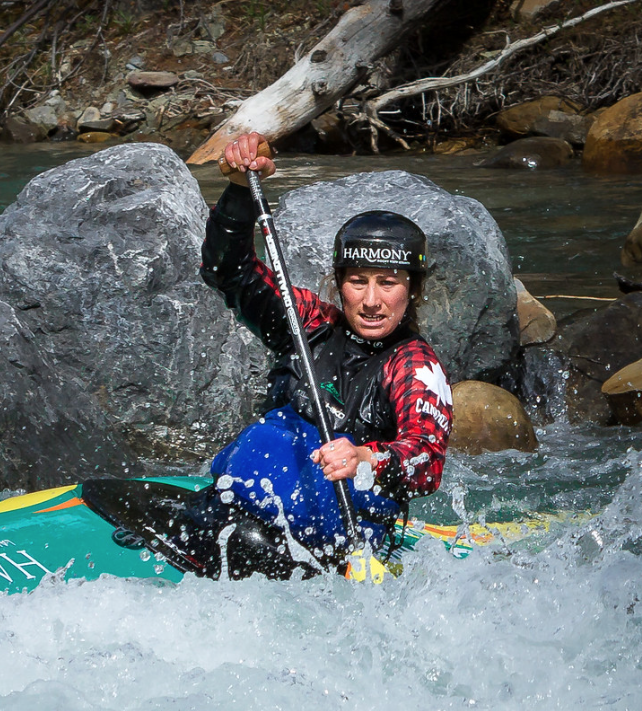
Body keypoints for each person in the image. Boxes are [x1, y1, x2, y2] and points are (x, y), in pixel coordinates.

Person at [151, 131, 453, 580]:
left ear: (412, 290)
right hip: (248, 508)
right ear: (339, 283)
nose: (371, 300)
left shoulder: (413, 365)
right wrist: (238, 191)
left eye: (387, 283)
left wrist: (367, 458)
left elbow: (425, 460)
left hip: (334, 543)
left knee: (252, 534)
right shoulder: (309, 323)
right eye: (357, 281)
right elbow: (227, 272)